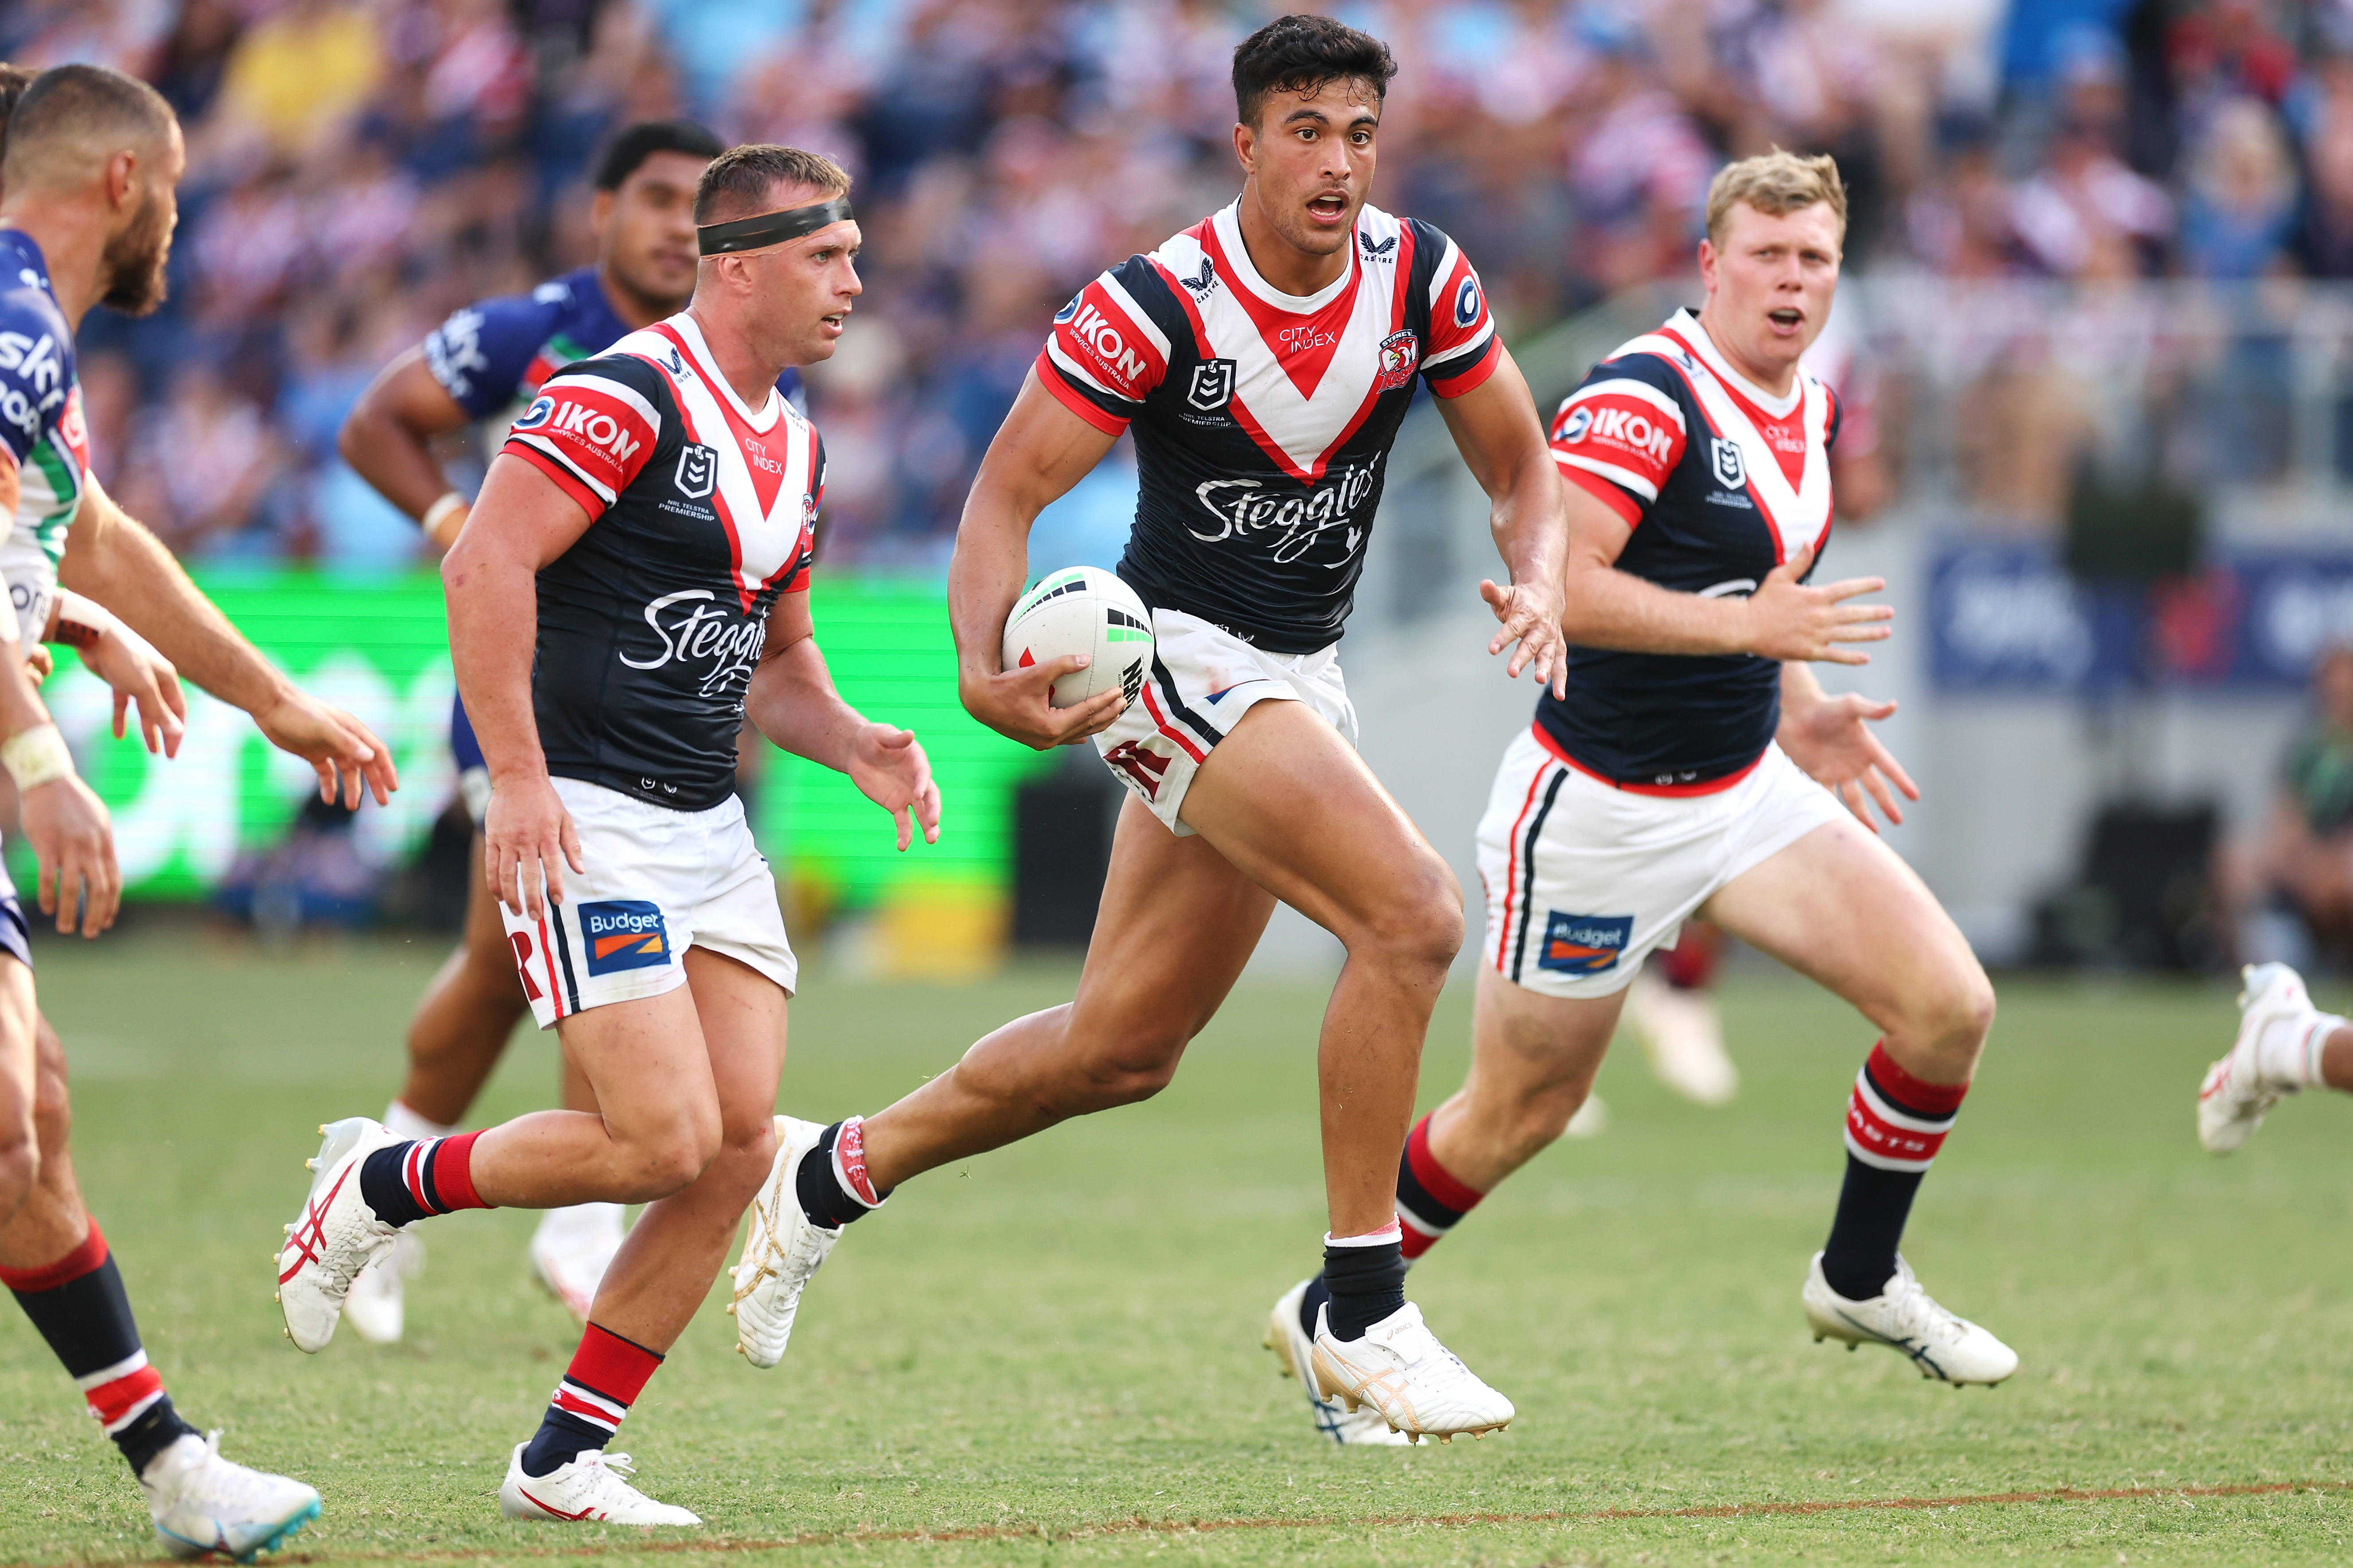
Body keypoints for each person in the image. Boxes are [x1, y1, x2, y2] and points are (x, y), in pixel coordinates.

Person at [725, 15, 1567, 1448]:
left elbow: (1522, 470)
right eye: (1305, 131)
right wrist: (980, 665)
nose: (1336, 163)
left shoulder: (1422, 277)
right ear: (1244, 142)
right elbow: (1002, 497)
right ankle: (1355, 1309)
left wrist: (1542, 573)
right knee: (1415, 917)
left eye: (1359, 134)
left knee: (1120, 1049)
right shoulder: (1153, 303)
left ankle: (824, 1175)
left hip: (1302, 672)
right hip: (1168, 665)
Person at [1270, 150, 2014, 1448]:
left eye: (1814, 261)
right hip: (1598, 813)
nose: (1791, 283)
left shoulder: (1813, 403)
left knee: (1947, 1008)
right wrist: (1749, 639)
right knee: (1518, 1113)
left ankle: (1855, 1279)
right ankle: (1333, 1312)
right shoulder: (1642, 395)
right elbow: (1568, 580)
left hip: (1743, 790)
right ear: (1710, 265)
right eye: (1767, 257)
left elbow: (1750, 591)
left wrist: (1795, 705)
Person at [277, 144, 940, 1529]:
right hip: (583, 812)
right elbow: (484, 560)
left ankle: (564, 1454)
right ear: (742, 263)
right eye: (829, 257)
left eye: (857, 257)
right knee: (653, 1137)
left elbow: (777, 664)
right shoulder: (622, 392)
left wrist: (861, 741)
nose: (854, 283)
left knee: (738, 1143)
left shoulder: (799, 438)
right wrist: (516, 779)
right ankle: (379, 1181)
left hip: (707, 823)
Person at [0, 62, 401, 1557]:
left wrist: (265, 695)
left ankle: (171, 1472)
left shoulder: (28, 325)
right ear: (123, 183)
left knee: (28, 1128)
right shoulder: (13, 316)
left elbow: (78, 527)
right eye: (172, 187)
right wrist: (39, 758)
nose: (181, 217)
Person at [333, 118, 799, 1340]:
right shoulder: (536, 333)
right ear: (600, 212)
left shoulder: (762, 371)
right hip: (531, 713)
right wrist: (455, 525)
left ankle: (511, 1199)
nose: (665, 225)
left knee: (545, 966)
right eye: (647, 198)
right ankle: (403, 1179)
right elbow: (376, 418)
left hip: (662, 723)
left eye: (684, 205)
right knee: (519, 964)